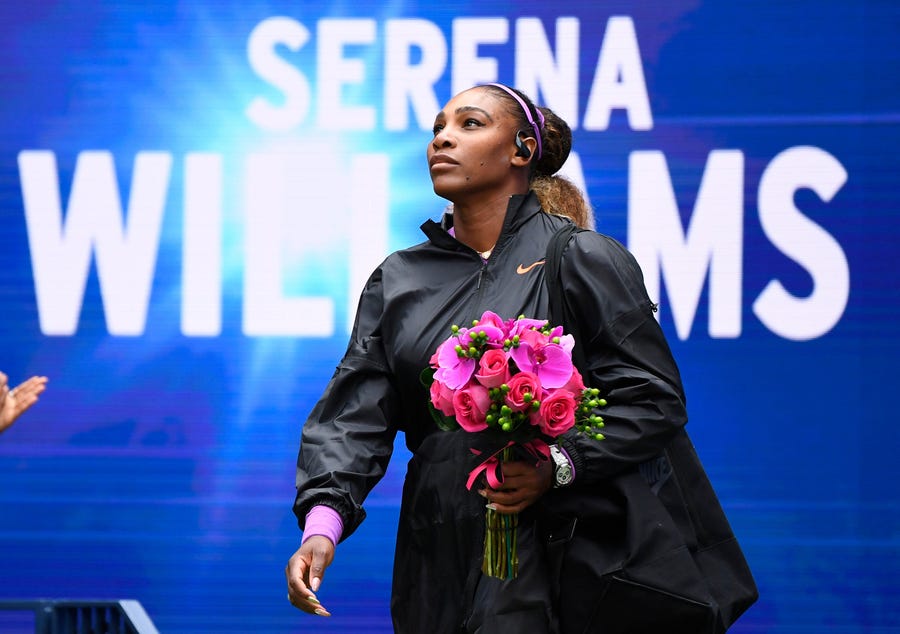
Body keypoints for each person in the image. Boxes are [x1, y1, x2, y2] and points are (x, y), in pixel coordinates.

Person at [286, 84, 756, 632]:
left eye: (470, 123)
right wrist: (323, 523)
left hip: (568, 556)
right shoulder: (398, 279)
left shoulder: (580, 256)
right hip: (436, 555)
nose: (442, 137)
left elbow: (653, 396)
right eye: (439, 126)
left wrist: (554, 465)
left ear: (522, 150)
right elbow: (355, 416)